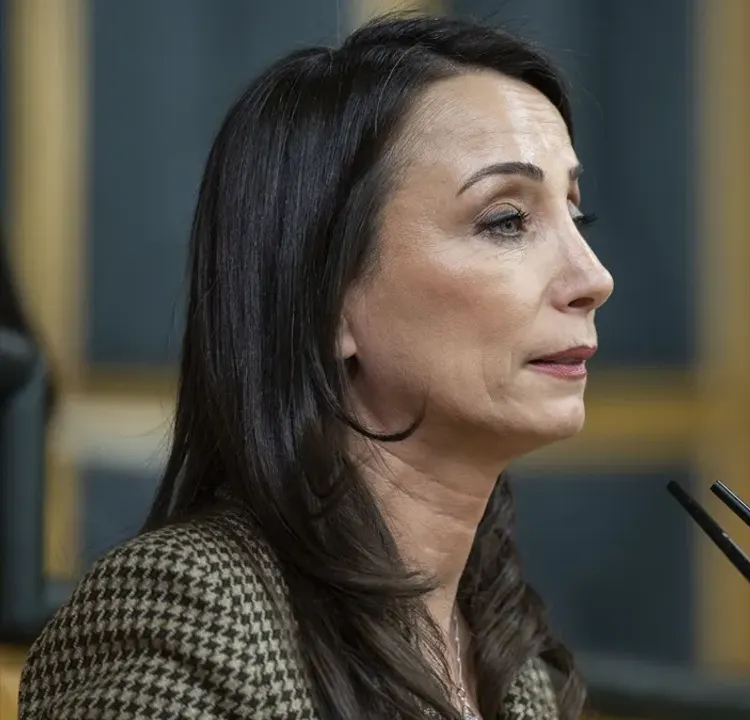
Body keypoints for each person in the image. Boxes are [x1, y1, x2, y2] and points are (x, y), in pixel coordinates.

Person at [18, 12, 612, 720]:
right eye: (506, 220)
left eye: (577, 216)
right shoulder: (194, 611)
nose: (594, 278)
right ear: (328, 301)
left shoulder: (514, 663)